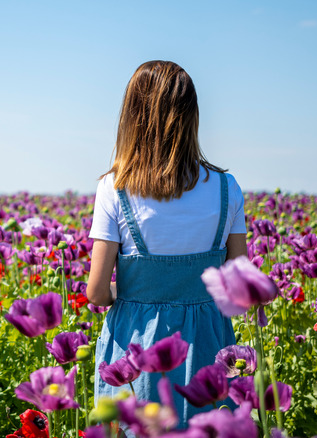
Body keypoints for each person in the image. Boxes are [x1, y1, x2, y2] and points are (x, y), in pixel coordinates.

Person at [86, 60, 248, 426]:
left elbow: (95, 292)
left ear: (132, 116)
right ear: (192, 115)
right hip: (210, 340)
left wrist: (134, 297)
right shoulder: (227, 188)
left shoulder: (115, 188)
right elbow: (239, 286)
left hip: (137, 345)